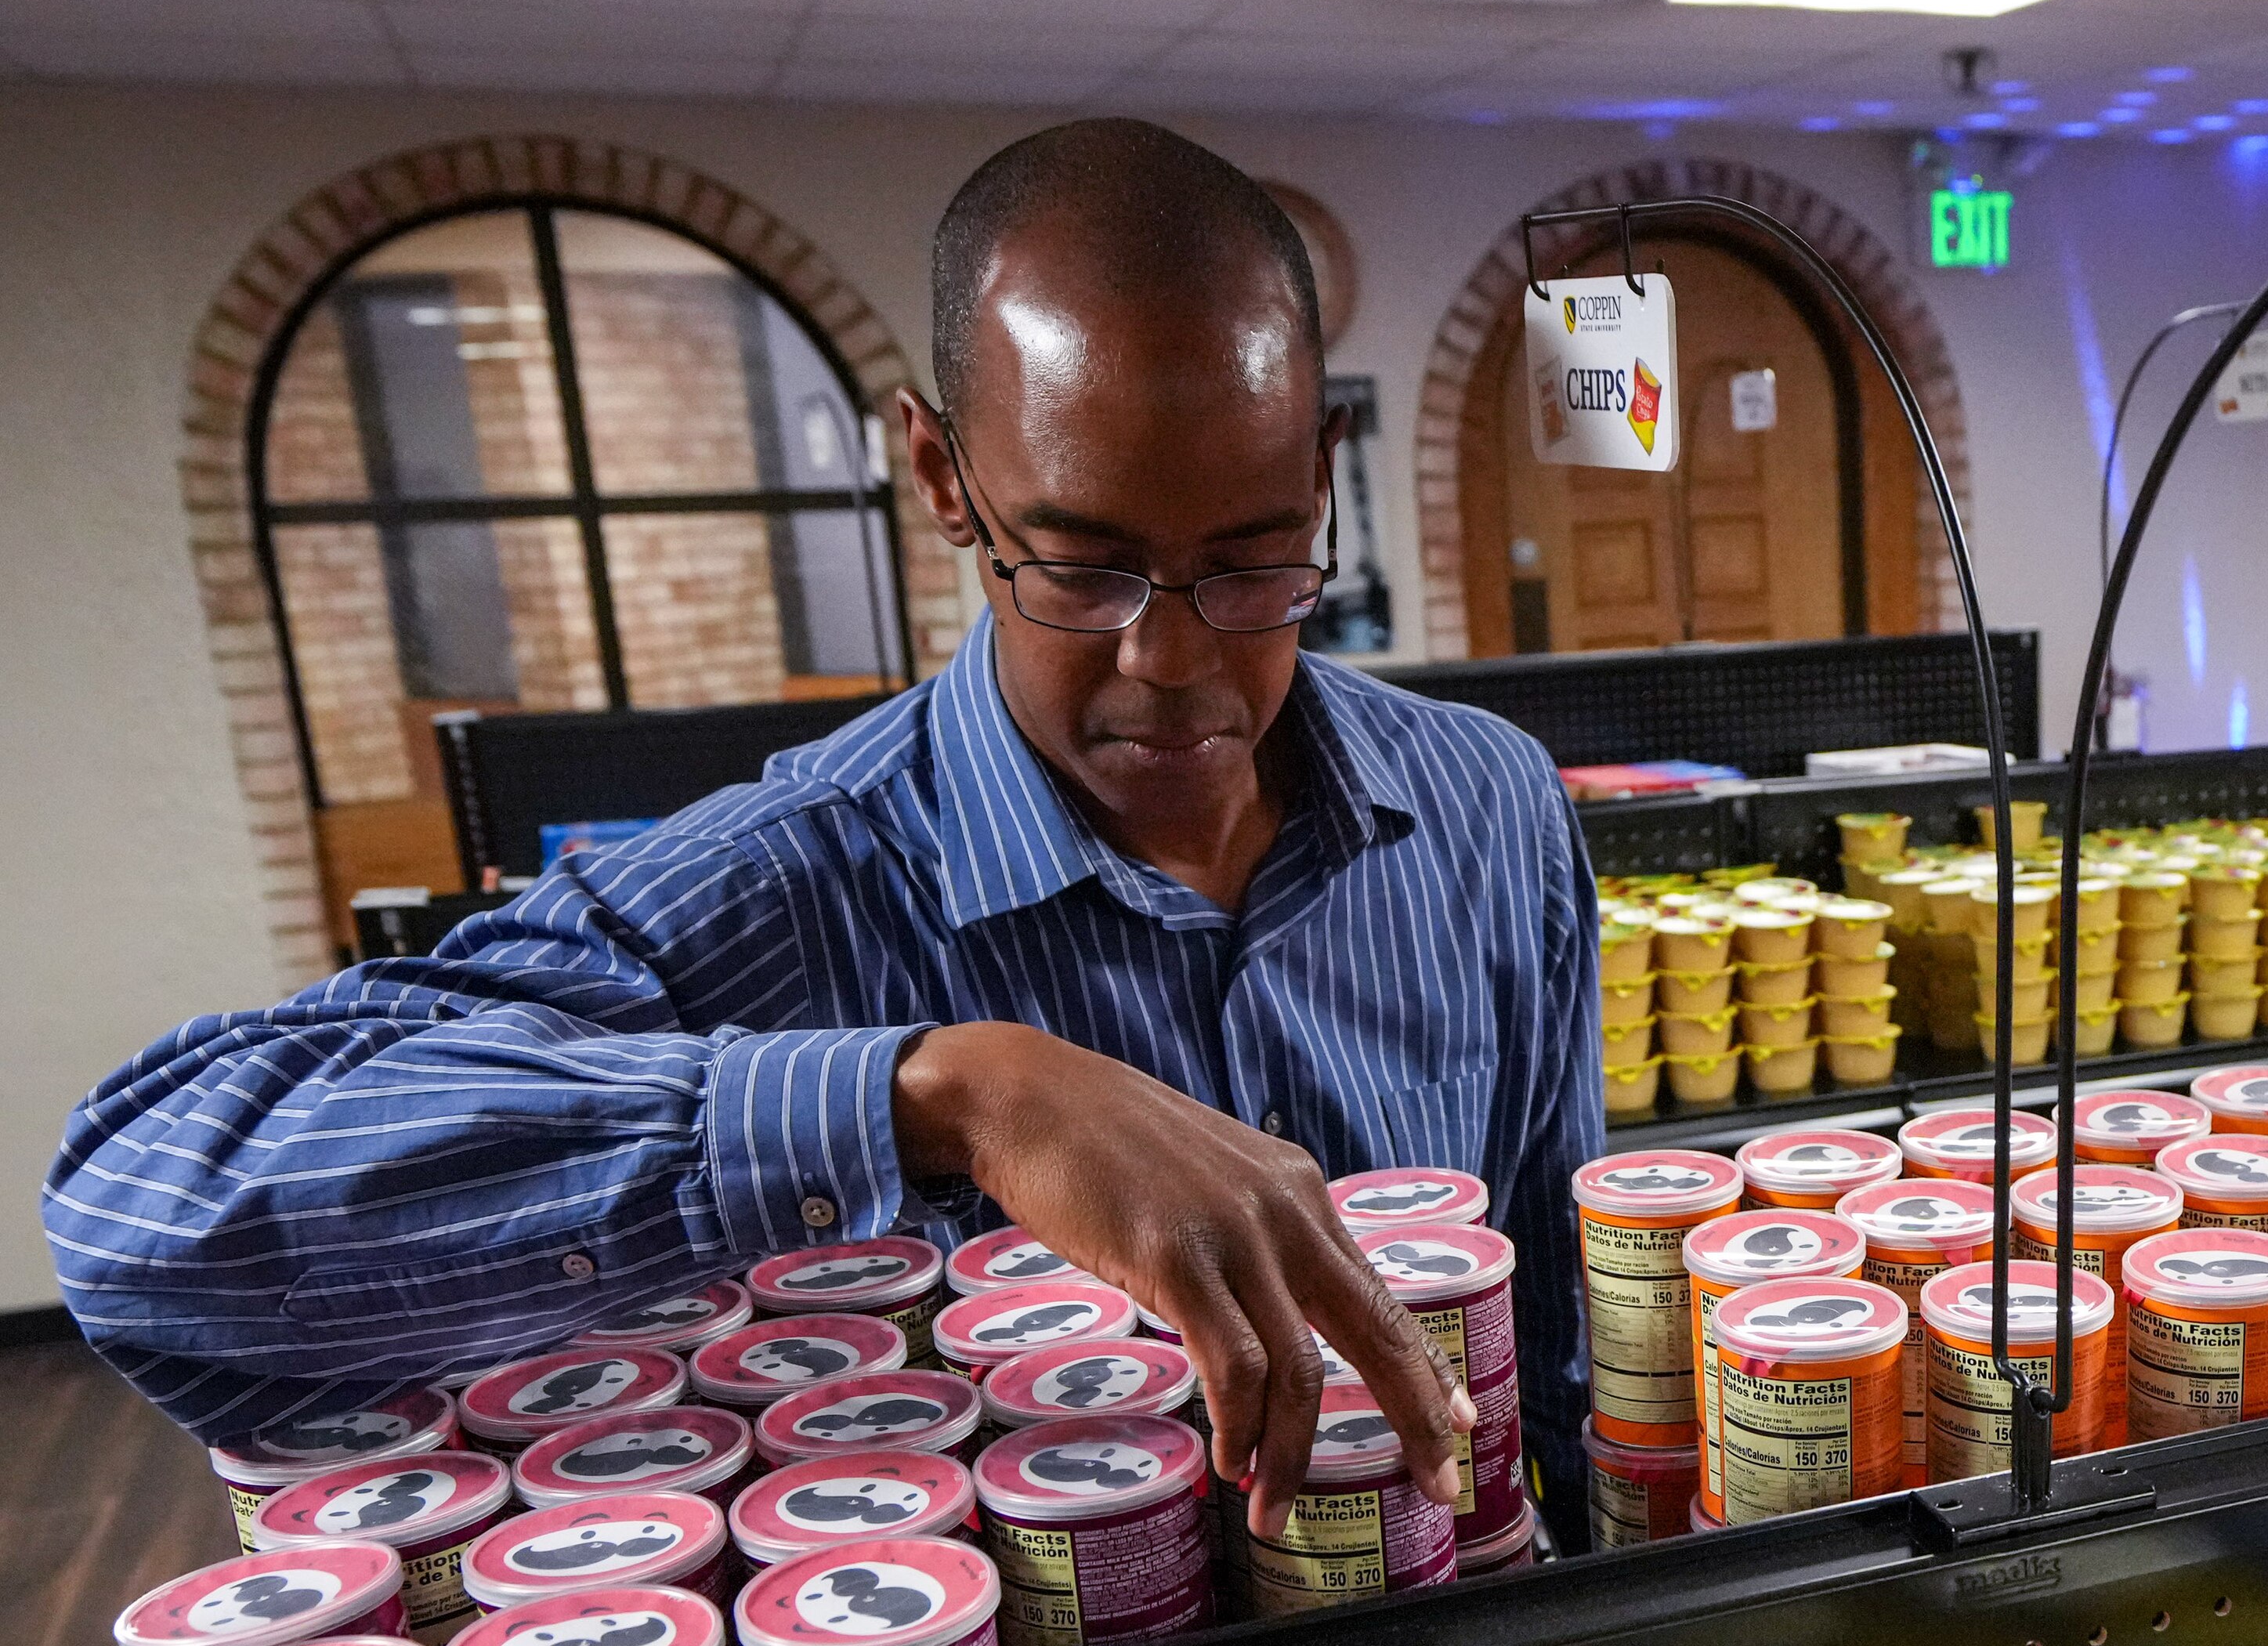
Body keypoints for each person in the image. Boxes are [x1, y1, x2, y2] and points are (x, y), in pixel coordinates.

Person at [50, 121, 1601, 1543]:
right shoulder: (773, 884)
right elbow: (145, 1201)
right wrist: (935, 1093)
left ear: (1322, 474)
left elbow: (1562, 1352)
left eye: (1259, 564)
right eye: (1079, 570)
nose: (1173, 661)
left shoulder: (1486, 808)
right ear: (941, 475)